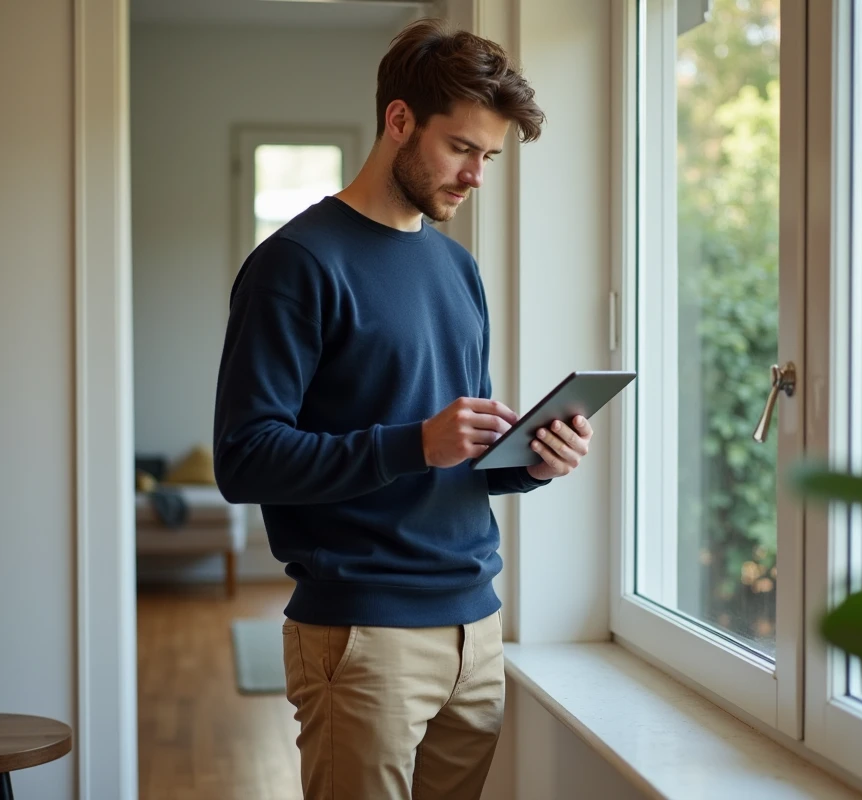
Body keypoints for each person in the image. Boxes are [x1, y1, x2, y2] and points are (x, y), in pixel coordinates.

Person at [212, 17, 593, 800]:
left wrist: (530, 460)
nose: (476, 175)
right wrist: (413, 443)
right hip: (363, 634)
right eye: (462, 149)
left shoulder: (459, 271)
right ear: (399, 121)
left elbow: (455, 461)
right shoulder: (294, 264)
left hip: (476, 631)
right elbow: (244, 457)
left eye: (489, 156)